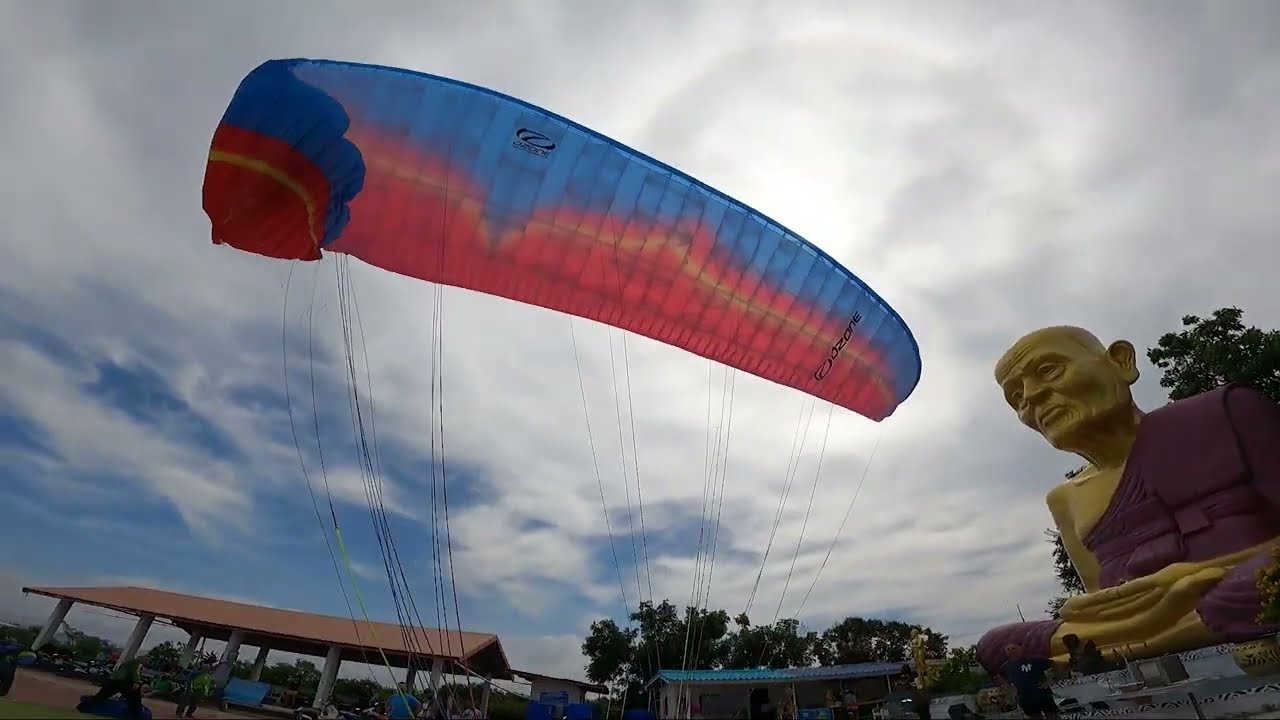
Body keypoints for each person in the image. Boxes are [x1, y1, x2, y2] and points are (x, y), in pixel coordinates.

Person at [976, 326, 1280, 673]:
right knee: (996, 646)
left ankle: (1116, 652)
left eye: (1048, 370)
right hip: (1140, 614)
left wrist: (1188, 578)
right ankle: (1162, 635)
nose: (1032, 397)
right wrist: (1157, 595)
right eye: (1016, 398)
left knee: (1250, 588)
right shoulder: (1065, 498)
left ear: (1121, 361)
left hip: (1236, 587)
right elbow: (1098, 600)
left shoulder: (1225, 413)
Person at [997, 644, 1057, 720]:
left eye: (1013, 648)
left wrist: (1051, 680)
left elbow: (1055, 665)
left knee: (1051, 715)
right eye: (1008, 649)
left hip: (1042, 694)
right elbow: (1001, 676)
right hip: (1025, 697)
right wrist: (1008, 686)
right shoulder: (1006, 667)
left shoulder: (1035, 659)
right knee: (1035, 716)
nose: (1011, 651)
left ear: (1021, 648)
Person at [80, 652, 146, 720]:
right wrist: (136, 682)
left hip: (114, 679)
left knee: (101, 695)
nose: (146, 661)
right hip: (125, 682)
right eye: (145, 659)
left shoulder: (124, 660)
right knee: (135, 699)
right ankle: (135, 715)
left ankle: (85, 705)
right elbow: (135, 672)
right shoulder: (136, 663)